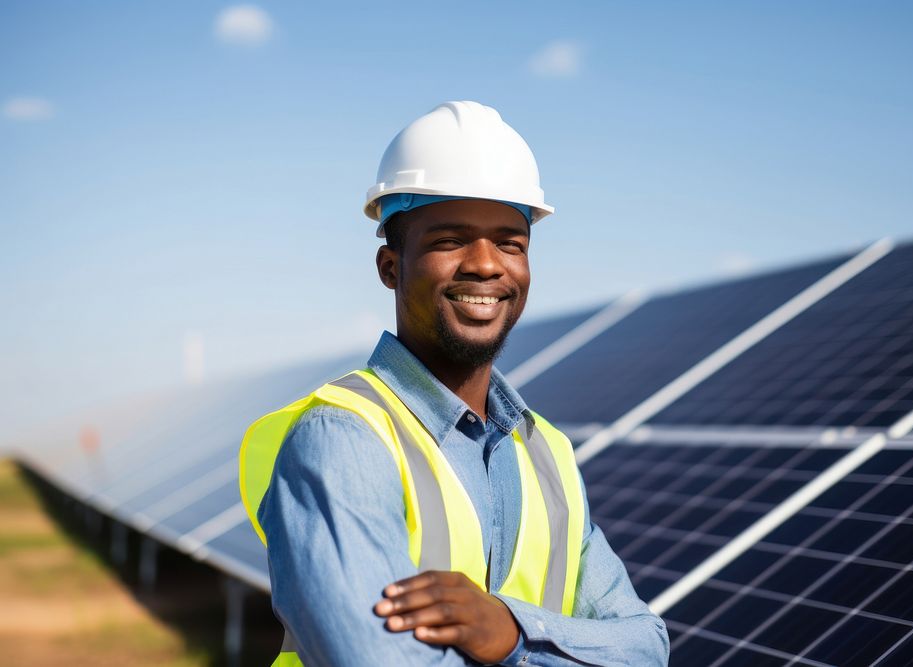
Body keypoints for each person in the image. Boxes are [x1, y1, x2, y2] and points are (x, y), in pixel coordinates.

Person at [239, 101, 670, 666]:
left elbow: (645, 646)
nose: (486, 265)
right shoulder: (343, 439)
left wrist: (512, 633)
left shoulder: (549, 456)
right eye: (450, 239)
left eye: (510, 242)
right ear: (391, 267)